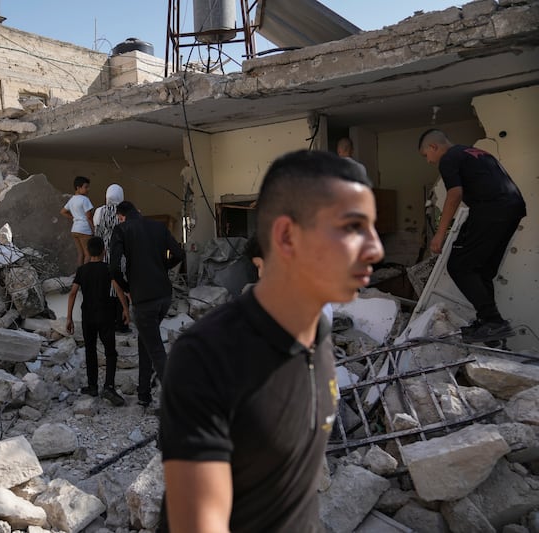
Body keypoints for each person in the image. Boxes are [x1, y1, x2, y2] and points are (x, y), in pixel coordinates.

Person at [159, 150, 384, 532]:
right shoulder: (208, 356)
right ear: (286, 236)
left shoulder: (318, 336)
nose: (375, 248)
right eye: (351, 227)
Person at [418, 129, 526, 342]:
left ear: (433, 147)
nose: (429, 161)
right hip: (512, 209)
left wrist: (440, 234)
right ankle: (489, 324)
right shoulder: (476, 153)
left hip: (490, 209)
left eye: (426, 155)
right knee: (482, 271)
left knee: (459, 266)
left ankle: (493, 321)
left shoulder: (448, 157)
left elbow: (454, 194)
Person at [109, 201, 184, 407]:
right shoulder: (158, 227)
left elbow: (113, 268)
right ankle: (144, 393)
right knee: (147, 340)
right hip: (164, 296)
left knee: (156, 348)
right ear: (138, 212)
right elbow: (179, 254)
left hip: (144, 298)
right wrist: (163, 267)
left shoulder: (121, 229)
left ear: (120, 216)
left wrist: (127, 286)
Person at [66, 236, 130, 406]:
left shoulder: (82, 270)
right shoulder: (108, 268)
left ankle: (92, 386)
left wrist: (69, 317)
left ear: (87, 252)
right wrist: (125, 309)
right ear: (104, 251)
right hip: (106, 315)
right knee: (110, 351)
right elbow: (118, 289)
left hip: (87, 316)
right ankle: (109, 386)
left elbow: (72, 293)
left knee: (90, 350)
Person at [93, 183, 131, 333]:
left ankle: (108, 323)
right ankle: (122, 323)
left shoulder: (100, 212)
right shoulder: (126, 212)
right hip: (121, 256)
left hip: (104, 255)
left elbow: (97, 235)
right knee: (121, 287)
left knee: (107, 289)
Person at [60, 175, 95, 266]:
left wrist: (75, 218)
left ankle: (79, 275)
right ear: (78, 188)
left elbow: (63, 212)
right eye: (86, 187)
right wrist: (94, 230)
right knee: (88, 254)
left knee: (80, 254)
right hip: (84, 230)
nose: (88, 189)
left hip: (75, 229)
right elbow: (89, 217)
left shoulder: (72, 200)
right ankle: (84, 276)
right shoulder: (85, 200)